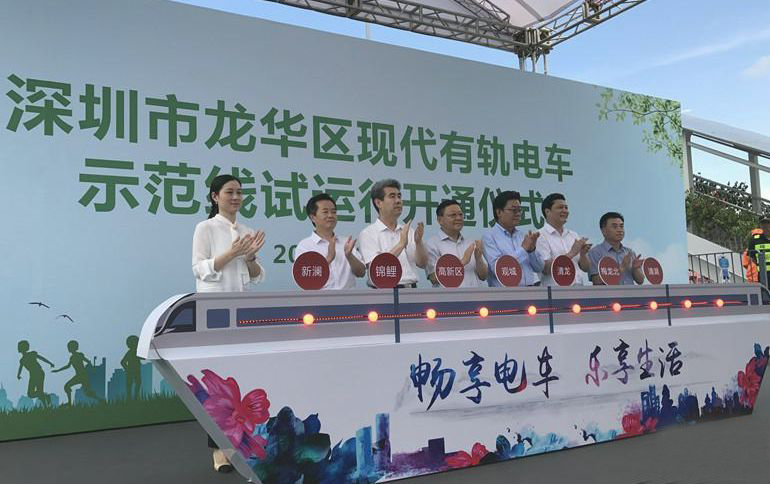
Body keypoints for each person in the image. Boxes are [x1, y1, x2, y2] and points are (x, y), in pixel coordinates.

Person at [192, 174, 266, 473]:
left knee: (241, 380)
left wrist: (249, 258)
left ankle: (241, 446)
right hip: (214, 313)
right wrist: (231, 254)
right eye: (229, 192)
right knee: (217, 388)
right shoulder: (205, 228)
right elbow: (199, 268)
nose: (236, 197)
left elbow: (256, 275)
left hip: (241, 311)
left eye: (239, 192)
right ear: (215, 197)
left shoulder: (246, 230)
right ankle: (219, 451)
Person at [358, 179, 428, 288]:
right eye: (392, 196)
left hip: (411, 290)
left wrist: (418, 243)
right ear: (378, 203)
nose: (398, 201)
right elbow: (377, 269)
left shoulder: (409, 231)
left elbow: (422, 263)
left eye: (399, 196)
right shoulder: (368, 234)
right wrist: (401, 244)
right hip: (384, 292)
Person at [295, 193, 365, 289]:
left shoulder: (346, 242)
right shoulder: (305, 246)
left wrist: (349, 255)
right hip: (320, 297)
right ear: (312, 217)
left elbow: (361, 273)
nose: (330, 215)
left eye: (333, 212)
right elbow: (304, 279)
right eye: (325, 212)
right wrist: (328, 259)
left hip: (348, 297)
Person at [482, 190, 543, 287]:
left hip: (531, 290)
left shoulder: (523, 236)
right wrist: (523, 249)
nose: (518, 214)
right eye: (514, 210)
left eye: (519, 210)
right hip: (506, 293)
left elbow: (539, 267)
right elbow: (498, 269)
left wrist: (532, 250)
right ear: (499, 212)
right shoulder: (489, 237)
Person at [424, 199, 487, 287]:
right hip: (449, 295)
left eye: (460, 214)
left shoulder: (471, 243)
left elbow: (483, 276)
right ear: (440, 220)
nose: (458, 218)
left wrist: (478, 258)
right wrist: (462, 263)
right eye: (453, 215)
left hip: (475, 295)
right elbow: (433, 278)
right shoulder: (432, 244)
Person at [535, 193, 591, 286]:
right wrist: (571, 253)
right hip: (556, 291)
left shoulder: (573, 235)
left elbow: (585, 268)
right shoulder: (540, 235)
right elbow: (545, 268)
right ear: (547, 211)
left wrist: (583, 254)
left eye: (566, 208)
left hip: (579, 288)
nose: (565, 211)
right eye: (560, 207)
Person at [586, 212, 644, 285]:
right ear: (603, 231)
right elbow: (596, 281)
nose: (619, 230)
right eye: (614, 226)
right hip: (608, 293)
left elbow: (640, 280)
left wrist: (635, 268)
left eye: (621, 226)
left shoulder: (629, 252)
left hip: (629, 292)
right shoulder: (595, 252)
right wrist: (621, 269)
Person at [52, 340, 102, 405]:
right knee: (68, 387)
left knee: (87, 392)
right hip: (79, 376)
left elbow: (88, 362)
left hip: (83, 376)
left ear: (73, 347)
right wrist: (58, 370)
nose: (68, 349)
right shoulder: (72, 357)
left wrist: (91, 369)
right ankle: (70, 403)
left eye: (69, 347)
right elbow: (68, 366)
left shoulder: (79, 355)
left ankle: (100, 400)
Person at [16, 340, 54, 407]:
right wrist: (18, 375)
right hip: (32, 375)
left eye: (19, 347)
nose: (18, 348)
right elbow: (20, 368)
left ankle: (45, 406)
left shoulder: (32, 354)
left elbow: (42, 358)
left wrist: (50, 363)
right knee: (30, 394)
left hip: (39, 373)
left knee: (39, 391)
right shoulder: (22, 360)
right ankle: (46, 397)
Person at [746, 218, 770, 286]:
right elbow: (752, 257)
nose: (766, 227)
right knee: (764, 291)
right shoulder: (755, 239)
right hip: (763, 274)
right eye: (763, 224)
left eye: (768, 224)